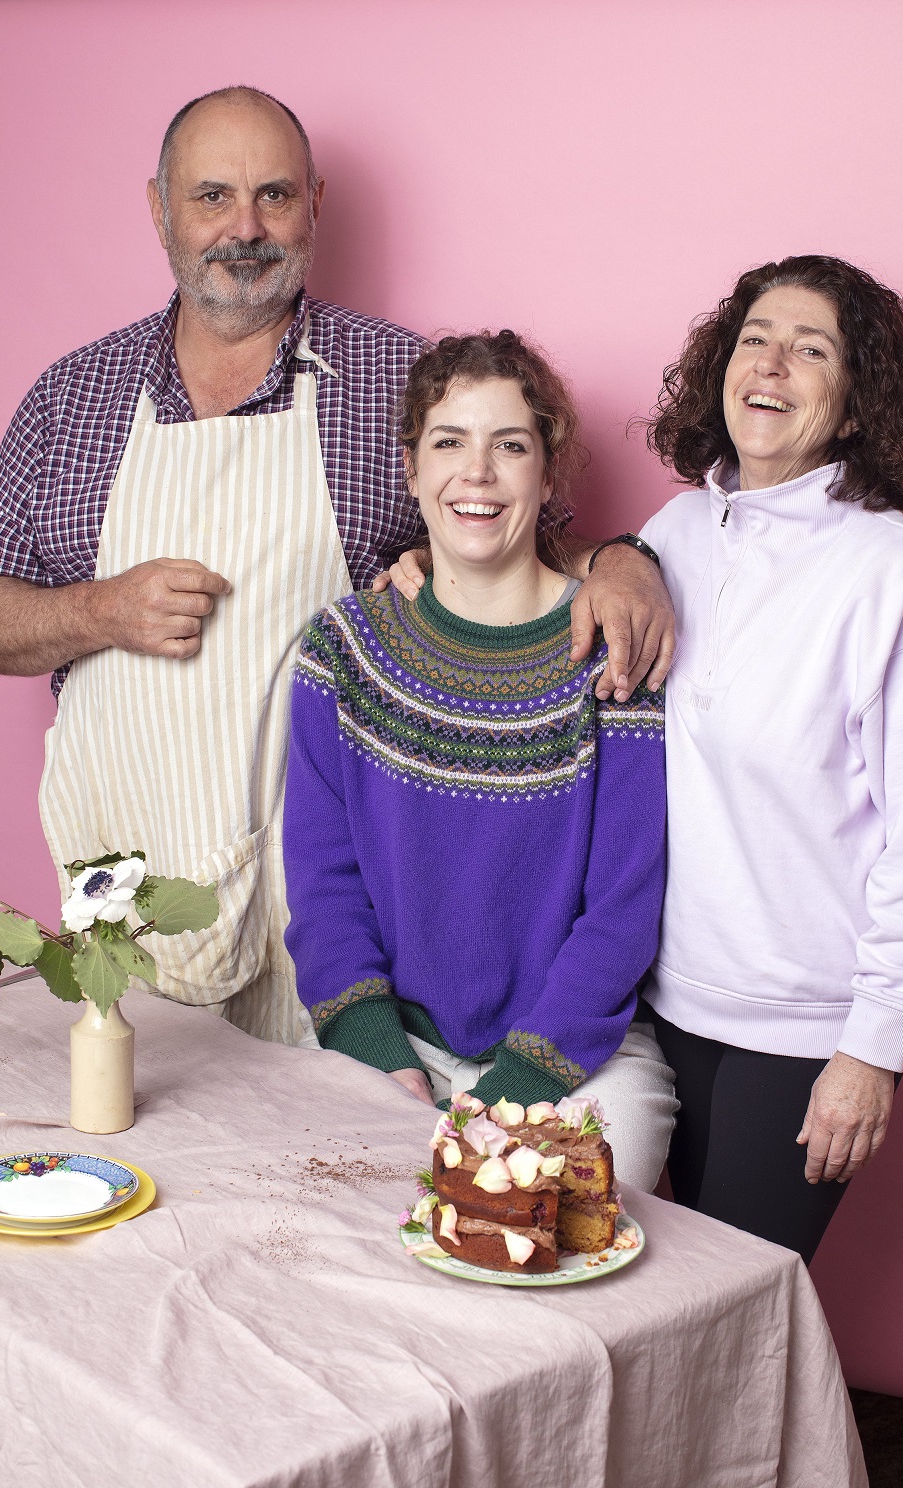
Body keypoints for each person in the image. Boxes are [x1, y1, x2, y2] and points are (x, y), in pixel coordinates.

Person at [0, 85, 674, 1045]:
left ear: (316, 203)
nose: (245, 227)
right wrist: (95, 614)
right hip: (128, 886)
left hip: (327, 906)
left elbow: (534, 534)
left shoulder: (398, 377)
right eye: (211, 197)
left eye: (274, 195)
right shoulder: (72, 400)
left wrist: (630, 563)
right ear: (158, 208)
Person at [637, 254, 903, 1259]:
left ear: (850, 406)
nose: (771, 364)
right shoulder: (677, 528)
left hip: (802, 1029)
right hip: (655, 1001)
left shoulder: (898, 576)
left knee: (729, 1319)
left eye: (809, 349)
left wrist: (871, 1048)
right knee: (646, 1300)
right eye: (753, 338)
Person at [283, 331, 678, 1190]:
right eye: (449, 443)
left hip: (581, 1060)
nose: (478, 473)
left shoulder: (608, 656)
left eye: (510, 446)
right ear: (412, 467)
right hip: (389, 1046)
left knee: (553, 1263)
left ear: (547, 471)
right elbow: (323, 884)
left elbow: (623, 908)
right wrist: (375, 1053)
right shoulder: (341, 651)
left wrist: (516, 1095)